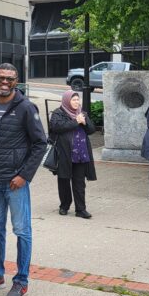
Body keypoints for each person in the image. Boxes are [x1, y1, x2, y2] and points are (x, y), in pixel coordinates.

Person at [0, 63, 47, 296]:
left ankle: (21, 281)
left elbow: (40, 143)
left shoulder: (26, 107)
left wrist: (24, 175)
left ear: (17, 81)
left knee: (22, 231)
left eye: (10, 78)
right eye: (1, 78)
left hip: (15, 182)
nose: (4, 82)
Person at [49, 90, 97, 218]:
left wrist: (85, 122)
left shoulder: (82, 113)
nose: (77, 102)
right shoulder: (58, 113)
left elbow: (91, 130)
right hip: (64, 153)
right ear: (67, 100)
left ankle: (80, 209)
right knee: (64, 180)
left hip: (81, 154)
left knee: (79, 182)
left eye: (77, 100)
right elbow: (57, 127)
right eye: (74, 100)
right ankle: (64, 206)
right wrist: (76, 121)